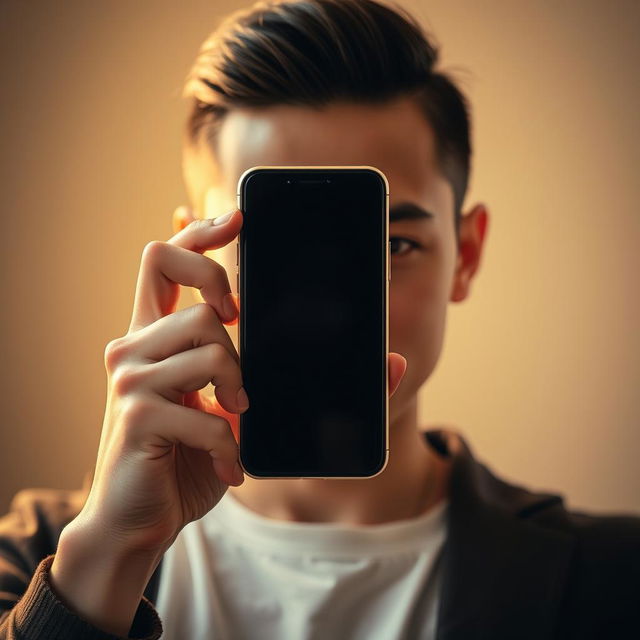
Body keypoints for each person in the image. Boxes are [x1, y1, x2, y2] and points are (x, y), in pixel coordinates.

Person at [1, 0, 638, 638]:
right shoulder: (43, 560)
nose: (329, 303)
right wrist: (109, 557)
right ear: (196, 253)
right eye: (272, 246)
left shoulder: (614, 578)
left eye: (390, 246)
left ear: (465, 255)